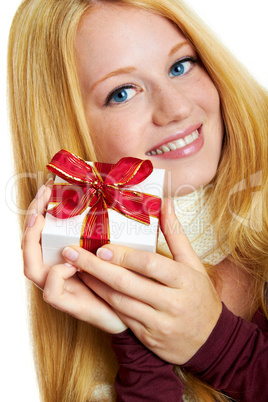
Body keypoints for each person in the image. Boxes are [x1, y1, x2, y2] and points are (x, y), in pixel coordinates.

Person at [8, 0, 267, 401]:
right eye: (122, 92)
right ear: (73, 134)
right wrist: (134, 334)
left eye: (181, 66)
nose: (177, 108)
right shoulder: (87, 318)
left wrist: (218, 346)